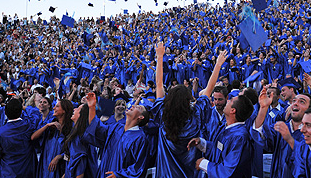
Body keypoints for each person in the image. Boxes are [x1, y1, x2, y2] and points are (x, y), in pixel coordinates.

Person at [152, 42, 227, 178]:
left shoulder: (163, 115)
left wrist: (159, 56)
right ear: (188, 101)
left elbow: (158, 84)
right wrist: (218, 65)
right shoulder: (196, 115)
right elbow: (209, 89)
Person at [251, 87, 311, 178]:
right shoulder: (281, 128)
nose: (295, 104)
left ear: (310, 109)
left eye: (302, 102)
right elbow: (260, 135)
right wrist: (263, 108)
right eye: (294, 101)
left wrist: (289, 139)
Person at [188, 94, 254, 177]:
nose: (228, 101)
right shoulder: (226, 128)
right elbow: (221, 150)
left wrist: (204, 164)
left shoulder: (239, 137)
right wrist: (202, 143)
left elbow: (228, 170)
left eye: (231, 100)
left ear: (233, 110)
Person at [85, 92, 150, 178]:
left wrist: (119, 175)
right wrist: (92, 107)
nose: (133, 106)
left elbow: (138, 168)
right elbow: (97, 129)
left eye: (138, 107)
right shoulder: (116, 128)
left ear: (141, 117)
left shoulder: (140, 138)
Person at [0, 97, 38, 178]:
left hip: (9, 171)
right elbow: (36, 113)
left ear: (5, 113)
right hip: (27, 170)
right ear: (21, 112)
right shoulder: (29, 126)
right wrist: (24, 107)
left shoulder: (0, 132)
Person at [30, 99, 74, 178]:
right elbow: (33, 137)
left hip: (61, 167)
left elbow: (73, 150)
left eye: (57, 106)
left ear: (64, 110)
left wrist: (59, 156)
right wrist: (46, 126)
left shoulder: (72, 128)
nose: (54, 108)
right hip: (46, 164)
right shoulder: (51, 125)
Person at [62, 104, 98, 178]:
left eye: (78, 109)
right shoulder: (76, 132)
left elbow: (80, 170)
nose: (74, 109)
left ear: (81, 115)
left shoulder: (80, 136)